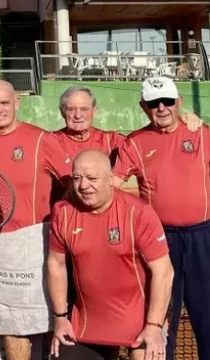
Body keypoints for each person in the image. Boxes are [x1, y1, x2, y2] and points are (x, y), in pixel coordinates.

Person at [114, 78, 210, 360]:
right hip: (160, 243)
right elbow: (111, 187)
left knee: (208, 324)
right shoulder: (133, 143)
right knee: (161, 323)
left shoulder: (201, 132)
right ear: (143, 107)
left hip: (203, 239)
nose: (162, 108)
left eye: (168, 101)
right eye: (154, 103)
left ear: (178, 102)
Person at [48, 150, 173, 360]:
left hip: (140, 321)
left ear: (110, 179)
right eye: (77, 178)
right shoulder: (63, 212)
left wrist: (154, 326)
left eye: (92, 178)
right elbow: (56, 265)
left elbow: (164, 273)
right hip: (88, 324)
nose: (83, 185)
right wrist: (60, 317)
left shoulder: (138, 213)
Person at [0, 85, 203, 191]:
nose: (78, 115)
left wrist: (182, 120)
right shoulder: (48, 141)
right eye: (71, 109)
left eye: (84, 109)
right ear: (62, 113)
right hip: (61, 227)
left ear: (94, 112)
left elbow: (150, 140)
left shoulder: (114, 141)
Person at [0, 79, 58, 360]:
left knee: (44, 322)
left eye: (4, 103)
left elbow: (74, 183)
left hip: (35, 249)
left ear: (17, 103)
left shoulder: (41, 139)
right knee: (9, 325)